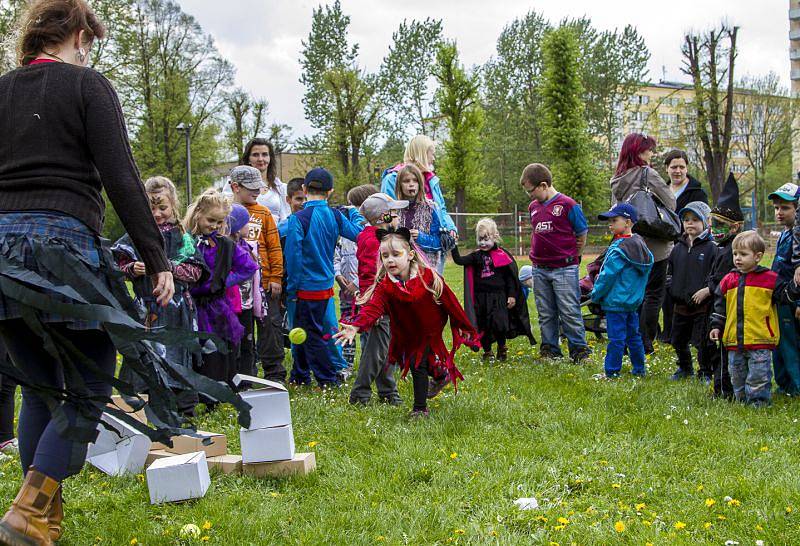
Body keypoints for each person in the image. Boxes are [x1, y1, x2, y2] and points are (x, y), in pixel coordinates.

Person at [0, 2, 245, 542]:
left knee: (42, 388)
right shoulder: (88, 87)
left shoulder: (2, 89)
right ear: (80, 37)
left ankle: (39, 515)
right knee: (89, 381)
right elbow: (122, 178)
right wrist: (157, 258)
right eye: (90, 41)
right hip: (60, 249)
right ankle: (29, 507)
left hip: (3, 260)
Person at [335, 228, 480, 417]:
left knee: (416, 363)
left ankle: (420, 409)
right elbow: (373, 308)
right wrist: (355, 326)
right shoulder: (386, 285)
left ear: (410, 255)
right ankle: (440, 374)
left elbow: (452, 304)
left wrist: (468, 330)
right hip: (406, 331)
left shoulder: (428, 277)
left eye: (396, 254)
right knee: (419, 361)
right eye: (385, 255)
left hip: (429, 329)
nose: (390, 260)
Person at [112, 176, 206, 414]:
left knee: (177, 356)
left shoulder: (183, 237)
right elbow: (116, 262)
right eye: (150, 208)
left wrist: (166, 267)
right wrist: (132, 268)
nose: (156, 213)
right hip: (146, 310)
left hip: (176, 311)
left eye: (162, 207)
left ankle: (184, 408)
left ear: (173, 204)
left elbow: (196, 271)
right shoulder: (136, 235)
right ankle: (141, 407)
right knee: (145, 356)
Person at [284, 168, 363, 388]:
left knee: (312, 334)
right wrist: (355, 212)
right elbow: (358, 234)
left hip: (303, 288)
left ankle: (328, 379)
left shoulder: (298, 219)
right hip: (325, 286)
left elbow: (293, 258)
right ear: (330, 191)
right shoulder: (336, 215)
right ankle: (299, 375)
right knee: (301, 331)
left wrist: (291, 289)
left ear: (304, 189)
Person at [610, 133, 677, 354]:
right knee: (654, 295)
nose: (651, 154)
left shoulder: (618, 179)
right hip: (655, 245)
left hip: (630, 245)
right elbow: (671, 201)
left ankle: (631, 340)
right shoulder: (647, 174)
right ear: (638, 151)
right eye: (648, 149)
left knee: (634, 295)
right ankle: (645, 342)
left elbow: (615, 212)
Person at [186, 189, 258, 391]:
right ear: (198, 214)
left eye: (220, 222)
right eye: (211, 220)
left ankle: (215, 392)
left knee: (215, 350)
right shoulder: (185, 241)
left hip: (215, 306)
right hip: (189, 304)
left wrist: (222, 281)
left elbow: (249, 267)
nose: (215, 226)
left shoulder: (225, 244)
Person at [520, 163, 591, 361]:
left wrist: (573, 257)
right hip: (540, 269)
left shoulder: (568, 205)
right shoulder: (533, 207)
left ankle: (579, 351)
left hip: (564, 268)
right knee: (545, 312)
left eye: (531, 191)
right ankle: (550, 350)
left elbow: (581, 234)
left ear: (543, 185)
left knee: (569, 310)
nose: (530, 196)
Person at [710, 231, 787, 407]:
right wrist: (716, 326)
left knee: (759, 375)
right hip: (733, 340)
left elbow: (785, 297)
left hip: (759, 338)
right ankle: (741, 400)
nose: (737, 258)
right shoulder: (728, 280)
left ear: (758, 256)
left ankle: (758, 402)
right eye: (735, 253)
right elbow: (719, 306)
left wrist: (795, 287)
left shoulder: (770, 279)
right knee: (736, 373)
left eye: (743, 254)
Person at [349, 193, 408, 405]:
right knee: (375, 352)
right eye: (394, 213)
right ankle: (360, 393)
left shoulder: (375, 236)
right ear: (383, 217)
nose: (398, 216)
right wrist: (371, 303)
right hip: (377, 303)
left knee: (384, 348)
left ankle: (387, 392)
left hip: (385, 302)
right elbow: (368, 274)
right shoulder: (374, 240)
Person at [229, 165, 286, 384]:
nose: (256, 192)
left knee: (270, 327)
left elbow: (273, 247)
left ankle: (275, 373)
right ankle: (244, 374)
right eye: (251, 188)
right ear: (235, 187)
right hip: (237, 287)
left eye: (258, 188)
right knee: (242, 331)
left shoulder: (263, 214)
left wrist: (275, 277)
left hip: (264, 283)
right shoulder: (224, 211)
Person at [451, 218, 535, 362]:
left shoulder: (502, 256)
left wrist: (512, 296)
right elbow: (459, 260)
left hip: (499, 297)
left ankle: (502, 348)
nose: (483, 243)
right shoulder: (475, 256)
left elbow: (510, 278)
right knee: (483, 325)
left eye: (486, 239)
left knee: (499, 325)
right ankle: (487, 351)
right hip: (480, 298)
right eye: (480, 239)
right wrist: (454, 245)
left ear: (495, 237)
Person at [589, 204, 653, 378]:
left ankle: (611, 372)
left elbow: (607, 276)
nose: (610, 224)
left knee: (616, 339)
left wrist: (596, 294)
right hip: (632, 302)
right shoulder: (640, 245)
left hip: (615, 303)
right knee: (634, 337)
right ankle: (639, 369)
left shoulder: (619, 249)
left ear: (628, 222)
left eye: (614, 220)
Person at [380, 134, 457, 274]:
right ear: (421, 153)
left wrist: (451, 228)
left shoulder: (431, 179)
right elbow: (388, 211)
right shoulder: (393, 178)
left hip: (432, 246)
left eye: (415, 181)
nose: (433, 158)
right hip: (404, 249)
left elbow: (441, 209)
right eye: (431, 154)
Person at [660, 149, 710, 343]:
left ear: (687, 168)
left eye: (682, 167)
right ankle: (670, 331)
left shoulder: (697, 192)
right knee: (668, 288)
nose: (678, 171)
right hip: (666, 246)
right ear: (667, 169)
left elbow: (704, 219)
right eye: (674, 167)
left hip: (690, 245)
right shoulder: (661, 192)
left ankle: (693, 332)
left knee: (690, 286)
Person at [667, 202, 717, 381]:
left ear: (705, 222)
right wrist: (671, 287)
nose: (690, 224)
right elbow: (670, 271)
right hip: (680, 303)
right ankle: (685, 367)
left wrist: (707, 290)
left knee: (702, 341)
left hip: (701, 304)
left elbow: (715, 275)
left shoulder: (712, 247)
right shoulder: (678, 247)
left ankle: (705, 371)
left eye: (695, 220)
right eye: (686, 220)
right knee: (677, 339)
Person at [706, 173, 744, 398]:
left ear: (735, 227)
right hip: (716, 306)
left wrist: (709, 287)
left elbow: (722, 282)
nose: (714, 229)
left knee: (722, 349)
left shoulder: (733, 252)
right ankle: (721, 386)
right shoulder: (719, 248)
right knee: (714, 349)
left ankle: (725, 389)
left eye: (720, 224)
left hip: (726, 308)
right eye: (712, 223)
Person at [335, 184, 377, 369]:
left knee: (368, 328)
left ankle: (371, 363)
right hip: (346, 291)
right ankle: (347, 364)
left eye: (355, 205)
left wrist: (357, 284)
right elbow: (336, 254)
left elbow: (373, 265)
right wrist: (337, 275)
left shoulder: (372, 235)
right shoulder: (346, 232)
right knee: (347, 324)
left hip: (366, 292)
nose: (351, 209)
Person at [768, 183, 800, 396]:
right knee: (778, 344)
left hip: (793, 302)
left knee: (792, 347)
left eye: (785, 208)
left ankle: (796, 386)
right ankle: (783, 383)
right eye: (777, 207)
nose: (779, 212)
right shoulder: (785, 234)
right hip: (779, 299)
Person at [226, 203, 263, 381]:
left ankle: (248, 379)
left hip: (247, 306)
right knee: (235, 346)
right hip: (233, 307)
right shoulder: (228, 249)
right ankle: (232, 379)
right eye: (246, 223)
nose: (249, 227)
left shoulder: (248, 246)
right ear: (236, 227)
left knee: (248, 344)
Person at [394, 163, 443, 270]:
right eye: (406, 181)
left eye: (415, 180)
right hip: (400, 267)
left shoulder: (430, 208)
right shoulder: (394, 210)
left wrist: (420, 237)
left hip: (425, 267)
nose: (411, 184)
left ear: (420, 184)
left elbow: (439, 242)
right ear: (399, 185)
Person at [240, 138, 291, 224]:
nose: (260, 159)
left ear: (270, 158)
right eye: (255, 155)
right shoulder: (237, 184)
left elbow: (285, 219)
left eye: (264, 154)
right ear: (248, 158)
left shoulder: (281, 187)